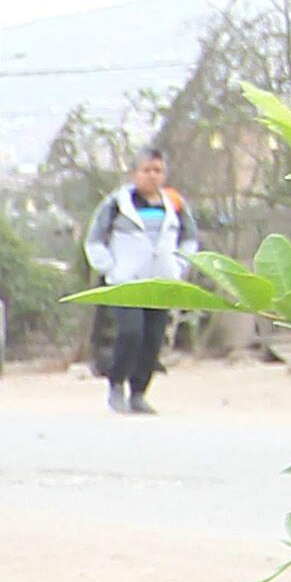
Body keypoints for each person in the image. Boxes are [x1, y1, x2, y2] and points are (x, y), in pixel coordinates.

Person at [84, 149, 197, 411]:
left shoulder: (175, 205)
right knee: (131, 333)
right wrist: (109, 267)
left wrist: (180, 265)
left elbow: (190, 238)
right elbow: (95, 239)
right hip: (127, 283)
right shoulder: (116, 204)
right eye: (146, 170)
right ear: (134, 173)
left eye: (157, 171)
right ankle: (116, 382)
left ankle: (138, 392)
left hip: (160, 283)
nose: (152, 176)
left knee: (152, 339)